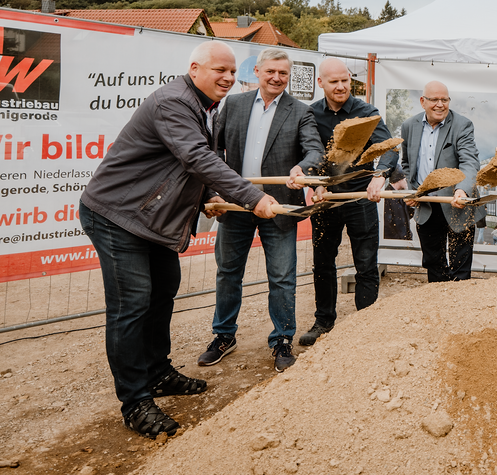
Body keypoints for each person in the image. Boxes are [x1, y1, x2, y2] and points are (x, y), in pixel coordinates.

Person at [79, 40, 276, 439]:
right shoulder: (174, 102)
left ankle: (156, 373)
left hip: (150, 220)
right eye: (219, 69)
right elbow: (196, 158)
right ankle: (135, 402)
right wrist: (252, 198)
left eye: (232, 71)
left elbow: (187, 166)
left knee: (163, 292)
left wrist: (209, 196)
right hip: (118, 216)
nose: (228, 77)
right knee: (131, 306)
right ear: (195, 69)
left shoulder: (206, 107)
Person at [198, 48, 324, 373]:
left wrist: (303, 168)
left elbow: (314, 150)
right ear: (257, 71)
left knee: (282, 277)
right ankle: (224, 336)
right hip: (236, 204)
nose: (276, 78)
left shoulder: (301, 111)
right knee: (228, 273)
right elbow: (213, 151)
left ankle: (282, 340)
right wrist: (214, 191)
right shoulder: (234, 104)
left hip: (278, 206)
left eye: (283, 73)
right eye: (271, 72)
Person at [298, 58, 405, 346]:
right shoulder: (310, 114)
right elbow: (307, 153)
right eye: (334, 81)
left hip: (360, 198)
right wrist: (315, 182)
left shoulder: (365, 112)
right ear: (321, 83)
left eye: (345, 80)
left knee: (366, 264)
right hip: (326, 200)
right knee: (322, 263)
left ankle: (364, 323)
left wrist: (380, 175)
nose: (341, 86)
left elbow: (389, 148)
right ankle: (323, 321)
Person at [399, 81, 482, 282]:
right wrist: (414, 190)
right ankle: (437, 300)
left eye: (444, 100)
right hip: (427, 205)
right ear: (423, 101)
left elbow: (469, 162)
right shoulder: (409, 126)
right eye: (434, 99)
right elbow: (407, 163)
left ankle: (457, 302)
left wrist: (462, 190)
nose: (440, 104)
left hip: (457, 203)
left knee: (460, 269)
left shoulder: (462, 125)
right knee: (434, 265)